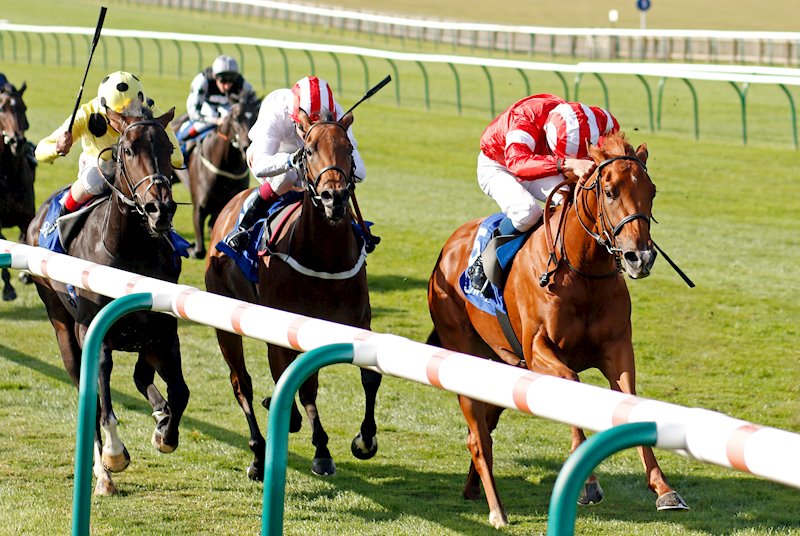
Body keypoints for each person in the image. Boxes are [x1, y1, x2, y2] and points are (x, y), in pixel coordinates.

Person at [467, 93, 619, 292]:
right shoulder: (525, 118)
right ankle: (487, 256)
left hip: (543, 160)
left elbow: (614, 131)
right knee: (527, 212)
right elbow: (517, 164)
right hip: (500, 165)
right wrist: (568, 163)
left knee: (573, 201)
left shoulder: (594, 118)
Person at [222, 75, 366, 253]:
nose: (309, 135)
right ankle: (244, 227)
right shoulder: (277, 108)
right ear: (295, 118)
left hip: (315, 163)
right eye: (304, 128)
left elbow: (360, 172)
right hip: (276, 158)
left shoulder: (336, 114)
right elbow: (259, 165)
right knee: (287, 177)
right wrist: (290, 160)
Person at [35, 71, 184, 217]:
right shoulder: (86, 114)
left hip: (135, 166)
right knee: (93, 180)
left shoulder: (152, 113)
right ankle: (59, 221)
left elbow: (178, 158)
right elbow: (40, 151)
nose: (126, 123)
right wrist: (57, 148)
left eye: (134, 115)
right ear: (105, 111)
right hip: (98, 165)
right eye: (119, 117)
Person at [176, 54, 256, 156]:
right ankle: (179, 148)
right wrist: (216, 121)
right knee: (185, 132)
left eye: (231, 81)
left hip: (228, 110)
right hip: (206, 109)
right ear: (215, 76)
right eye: (223, 81)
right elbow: (193, 113)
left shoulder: (243, 84)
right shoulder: (202, 81)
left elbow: (254, 106)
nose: (227, 86)